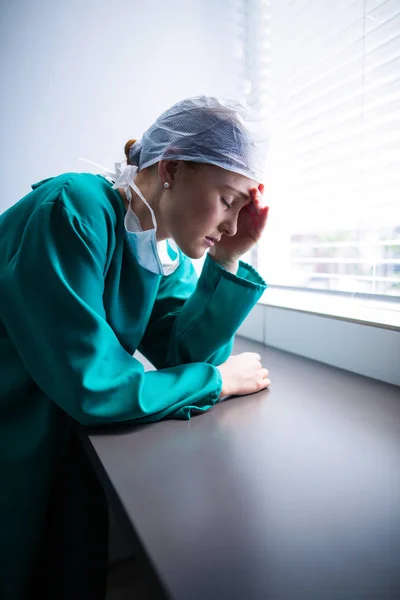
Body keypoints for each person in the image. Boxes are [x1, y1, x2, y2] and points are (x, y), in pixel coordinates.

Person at [0, 95, 271, 599]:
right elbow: (93, 386)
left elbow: (183, 354)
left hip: (65, 445)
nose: (233, 224)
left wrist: (228, 258)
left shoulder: (157, 248)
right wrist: (218, 381)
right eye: (228, 199)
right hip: (14, 439)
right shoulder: (71, 210)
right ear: (171, 168)